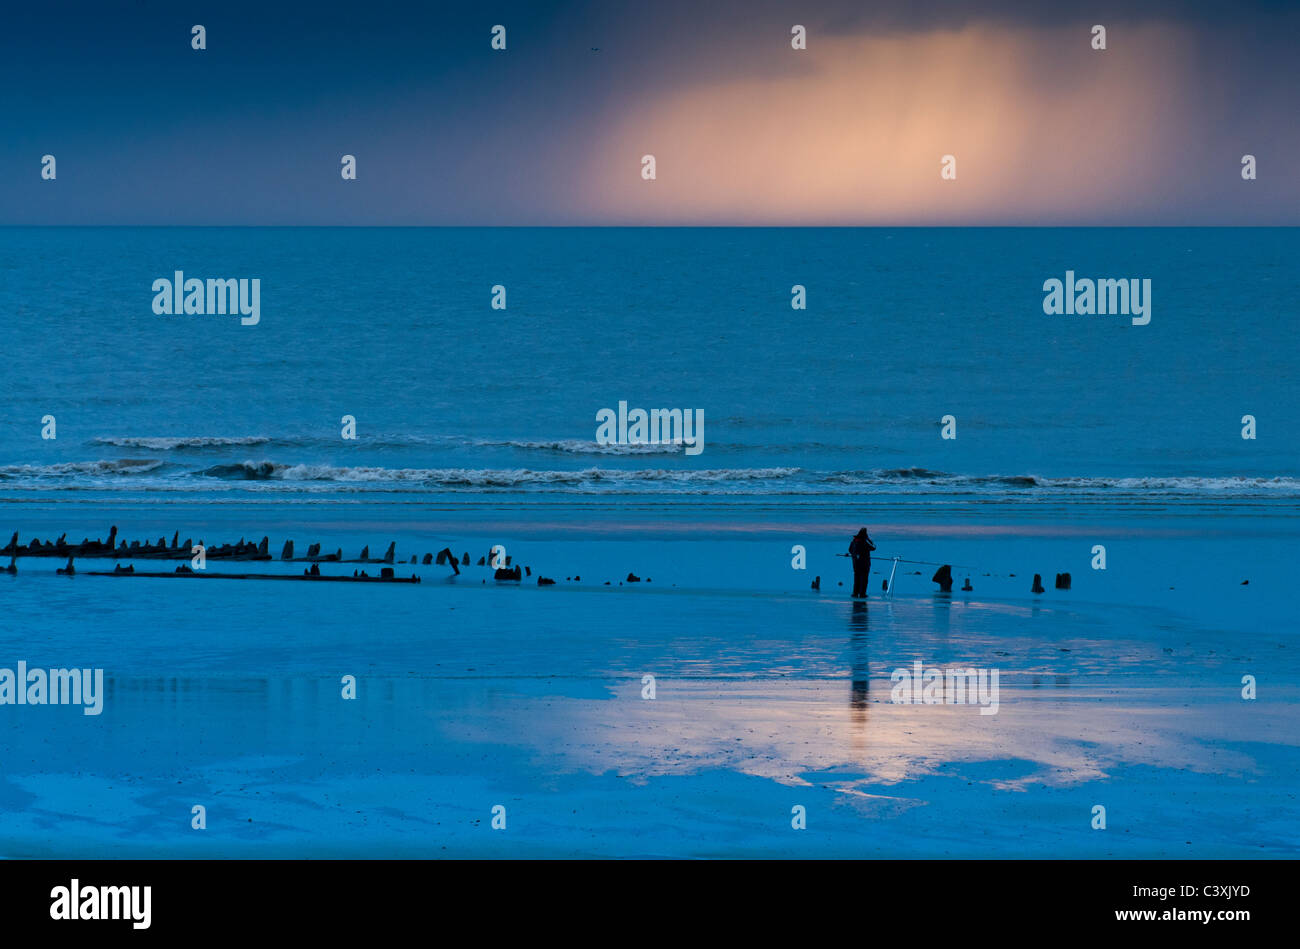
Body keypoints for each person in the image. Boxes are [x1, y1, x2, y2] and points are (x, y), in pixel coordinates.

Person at [848, 527, 876, 598]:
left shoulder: (854, 541)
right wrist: (869, 539)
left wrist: (855, 555)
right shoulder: (865, 541)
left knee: (856, 578)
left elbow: (850, 550)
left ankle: (855, 593)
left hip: (855, 564)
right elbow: (873, 547)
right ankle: (862, 594)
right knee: (864, 579)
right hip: (864, 564)